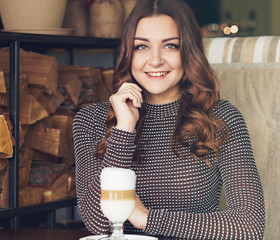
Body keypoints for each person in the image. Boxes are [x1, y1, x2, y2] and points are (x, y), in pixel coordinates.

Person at [73, 0, 265, 239]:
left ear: (189, 52)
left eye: (170, 46)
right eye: (141, 47)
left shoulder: (220, 118)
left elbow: (249, 226)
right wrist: (124, 129)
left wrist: (147, 219)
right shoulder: (91, 120)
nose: (155, 60)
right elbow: (98, 224)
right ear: (127, 53)